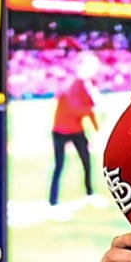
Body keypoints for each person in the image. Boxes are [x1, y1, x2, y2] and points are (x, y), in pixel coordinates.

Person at [50, 52, 105, 207]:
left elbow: (90, 111)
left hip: (76, 129)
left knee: (87, 162)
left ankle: (89, 193)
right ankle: (53, 201)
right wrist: (94, 107)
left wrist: (97, 129)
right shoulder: (72, 84)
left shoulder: (88, 84)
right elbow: (75, 109)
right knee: (59, 166)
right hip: (61, 130)